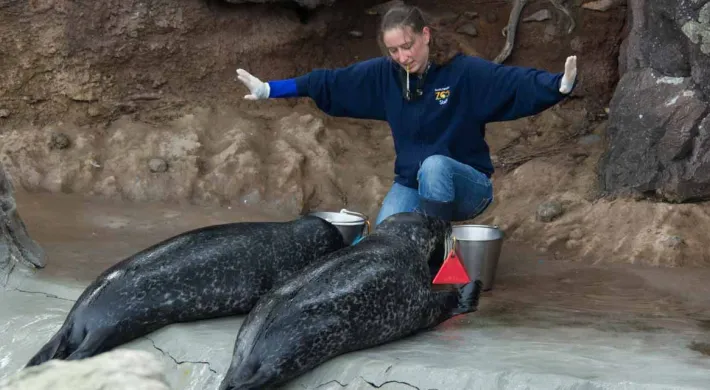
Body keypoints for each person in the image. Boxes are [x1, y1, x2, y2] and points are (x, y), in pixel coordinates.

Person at [235, 4, 577, 225]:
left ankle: (438, 249)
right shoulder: (387, 75)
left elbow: (511, 82)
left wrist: (556, 85)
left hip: (467, 186)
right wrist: (270, 89)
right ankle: (420, 248)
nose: (402, 56)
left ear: (425, 36)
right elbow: (331, 81)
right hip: (412, 185)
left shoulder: (463, 72)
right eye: (394, 50)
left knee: (435, 164)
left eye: (407, 46)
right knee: (386, 237)